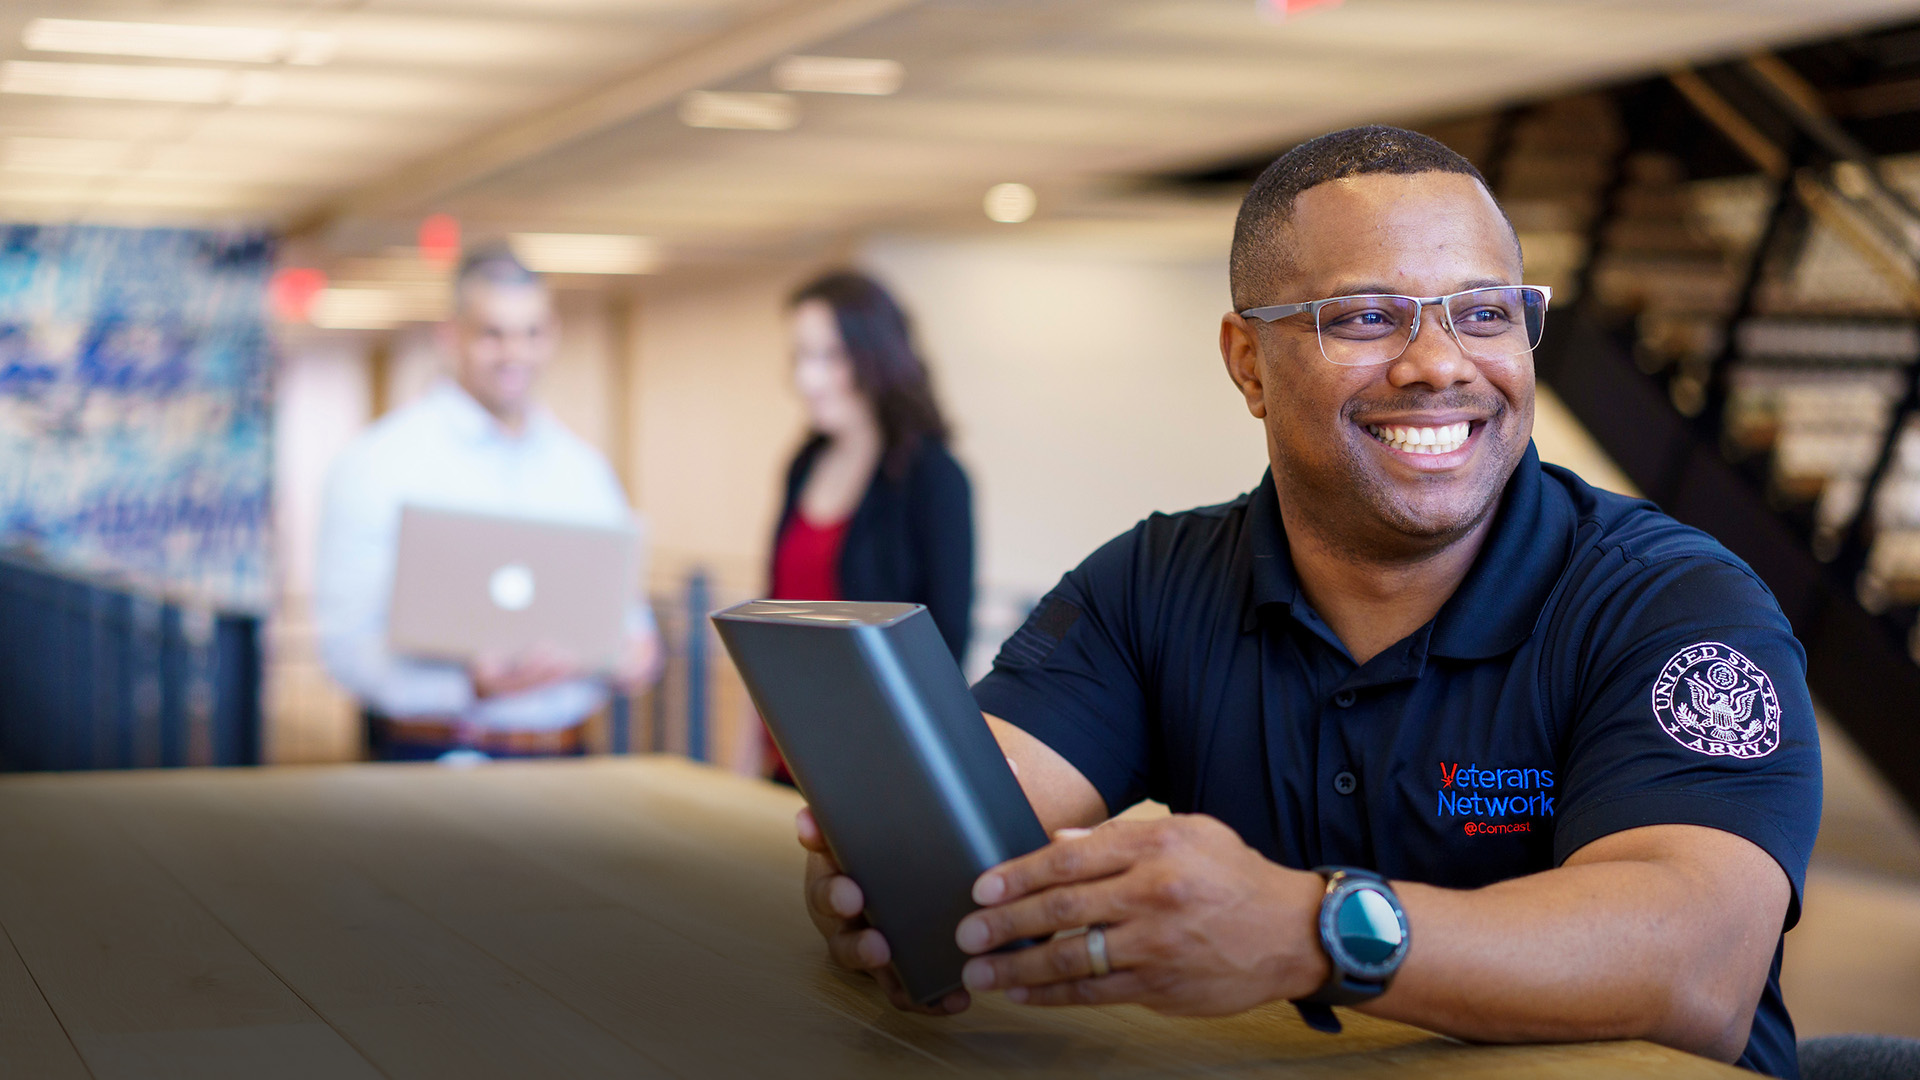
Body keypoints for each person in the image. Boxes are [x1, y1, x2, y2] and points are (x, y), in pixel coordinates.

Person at [798, 126, 1821, 1078]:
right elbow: (975, 816)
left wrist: (1307, 930)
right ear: (1249, 363)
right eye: (1368, 316)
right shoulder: (1150, 585)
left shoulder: (1673, 603)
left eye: (1484, 311)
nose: (1437, 363)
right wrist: (890, 879)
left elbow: (1699, 963)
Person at [315, 247, 660, 760]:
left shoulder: (583, 470)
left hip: (564, 763)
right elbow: (345, 647)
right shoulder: (379, 462)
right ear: (450, 335)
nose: (514, 354)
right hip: (431, 761)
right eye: (492, 334)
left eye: (531, 333)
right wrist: (469, 685)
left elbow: (633, 628)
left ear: (553, 335)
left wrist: (633, 656)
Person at [762, 270, 973, 780]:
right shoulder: (804, 462)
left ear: (877, 356)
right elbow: (769, 625)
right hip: (787, 751)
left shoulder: (932, 479)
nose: (806, 380)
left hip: (873, 765)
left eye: (829, 356)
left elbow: (942, 651)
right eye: (801, 357)